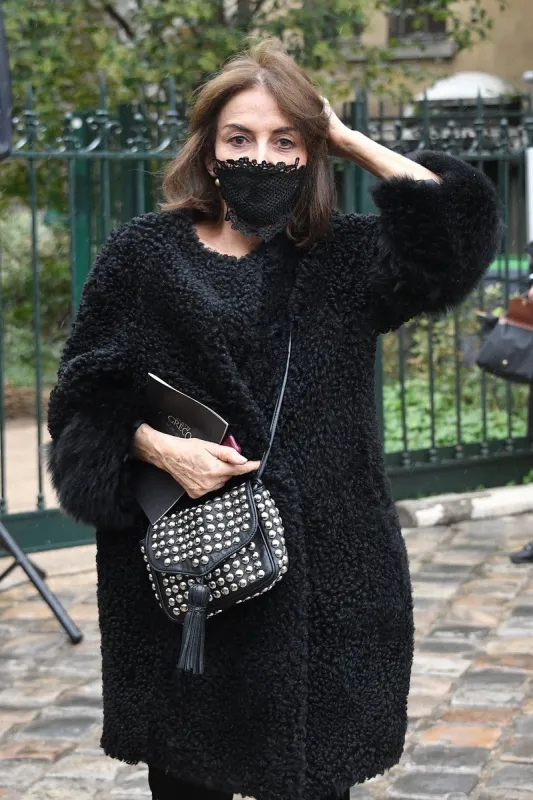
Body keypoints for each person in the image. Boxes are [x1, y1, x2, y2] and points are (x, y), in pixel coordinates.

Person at [46, 39, 501, 800]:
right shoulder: (143, 255)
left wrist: (347, 136)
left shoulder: (345, 255)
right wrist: (160, 449)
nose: (260, 156)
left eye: (284, 141)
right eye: (239, 138)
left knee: (313, 772)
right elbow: (81, 399)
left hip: (329, 568)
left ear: (311, 150)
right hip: (191, 576)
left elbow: (455, 236)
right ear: (208, 147)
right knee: (189, 778)